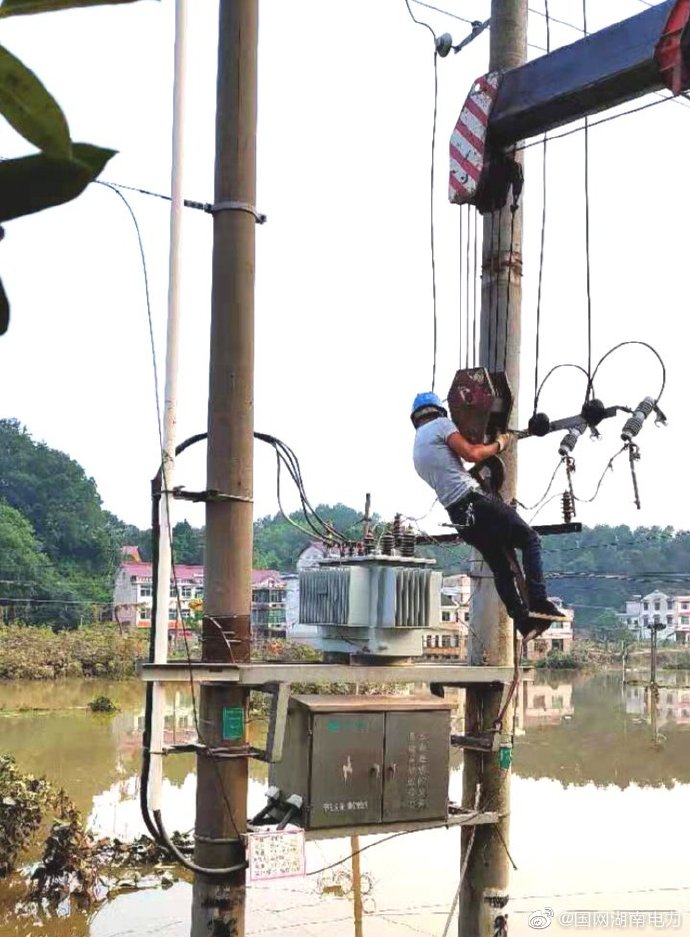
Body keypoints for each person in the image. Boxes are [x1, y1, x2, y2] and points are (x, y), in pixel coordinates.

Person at [410, 391, 566, 636]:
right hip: (474, 502)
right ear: (438, 411)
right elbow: (472, 454)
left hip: (459, 518)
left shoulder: (417, 448)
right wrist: (500, 443)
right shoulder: (440, 425)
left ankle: (523, 622)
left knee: (500, 567)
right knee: (529, 539)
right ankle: (539, 602)